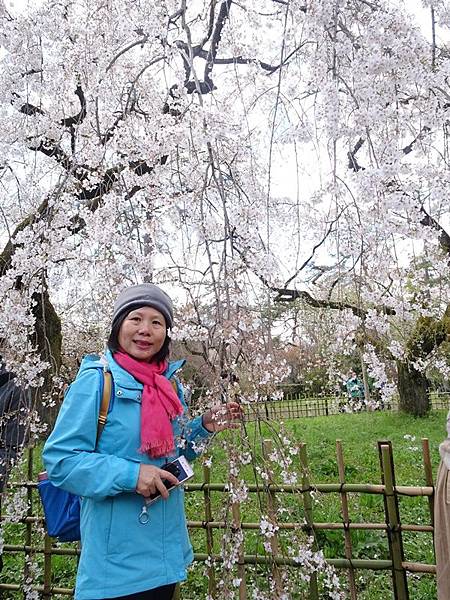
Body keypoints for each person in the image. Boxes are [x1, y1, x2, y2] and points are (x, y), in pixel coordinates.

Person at [43, 283, 241, 600]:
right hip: (116, 565)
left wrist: (203, 427)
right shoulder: (97, 381)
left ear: (166, 333)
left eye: (156, 322)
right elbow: (61, 461)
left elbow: (173, 454)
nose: (145, 330)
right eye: (136, 319)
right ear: (118, 326)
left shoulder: (170, 386)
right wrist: (133, 474)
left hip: (166, 553)